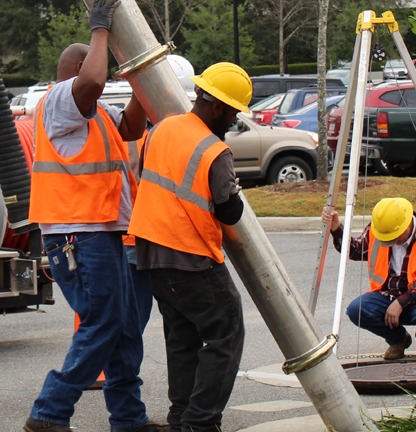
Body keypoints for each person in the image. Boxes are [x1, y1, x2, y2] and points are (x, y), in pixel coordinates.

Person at [22, 0, 160, 430]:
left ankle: (129, 418)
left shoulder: (95, 114)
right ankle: (49, 412)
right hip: (78, 234)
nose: (103, 76)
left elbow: (132, 126)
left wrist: (139, 78)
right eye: (97, 65)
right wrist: (101, 29)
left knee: (124, 327)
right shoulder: (60, 99)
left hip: (100, 232)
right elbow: (93, 81)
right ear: (80, 69)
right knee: (104, 321)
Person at [128, 62, 250, 432]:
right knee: (226, 332)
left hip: (151, 253)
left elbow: (149, 176)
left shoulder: (161, 129)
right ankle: (200, 423)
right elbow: (229, 212)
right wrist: (234, 190)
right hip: (190, 255)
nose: (234, 120)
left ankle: (181, 419)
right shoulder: (215, 151)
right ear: (217, 106)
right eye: (233, 112)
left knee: (182, 339)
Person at [321, 198, 416, 360]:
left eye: (394, 236)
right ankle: (398, 340)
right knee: (357, 310)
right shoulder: (378, 231)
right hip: (389, 296)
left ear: (407, 224)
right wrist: (336, 228)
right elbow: (355, 250)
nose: (390, 240)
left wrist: (400, 302)